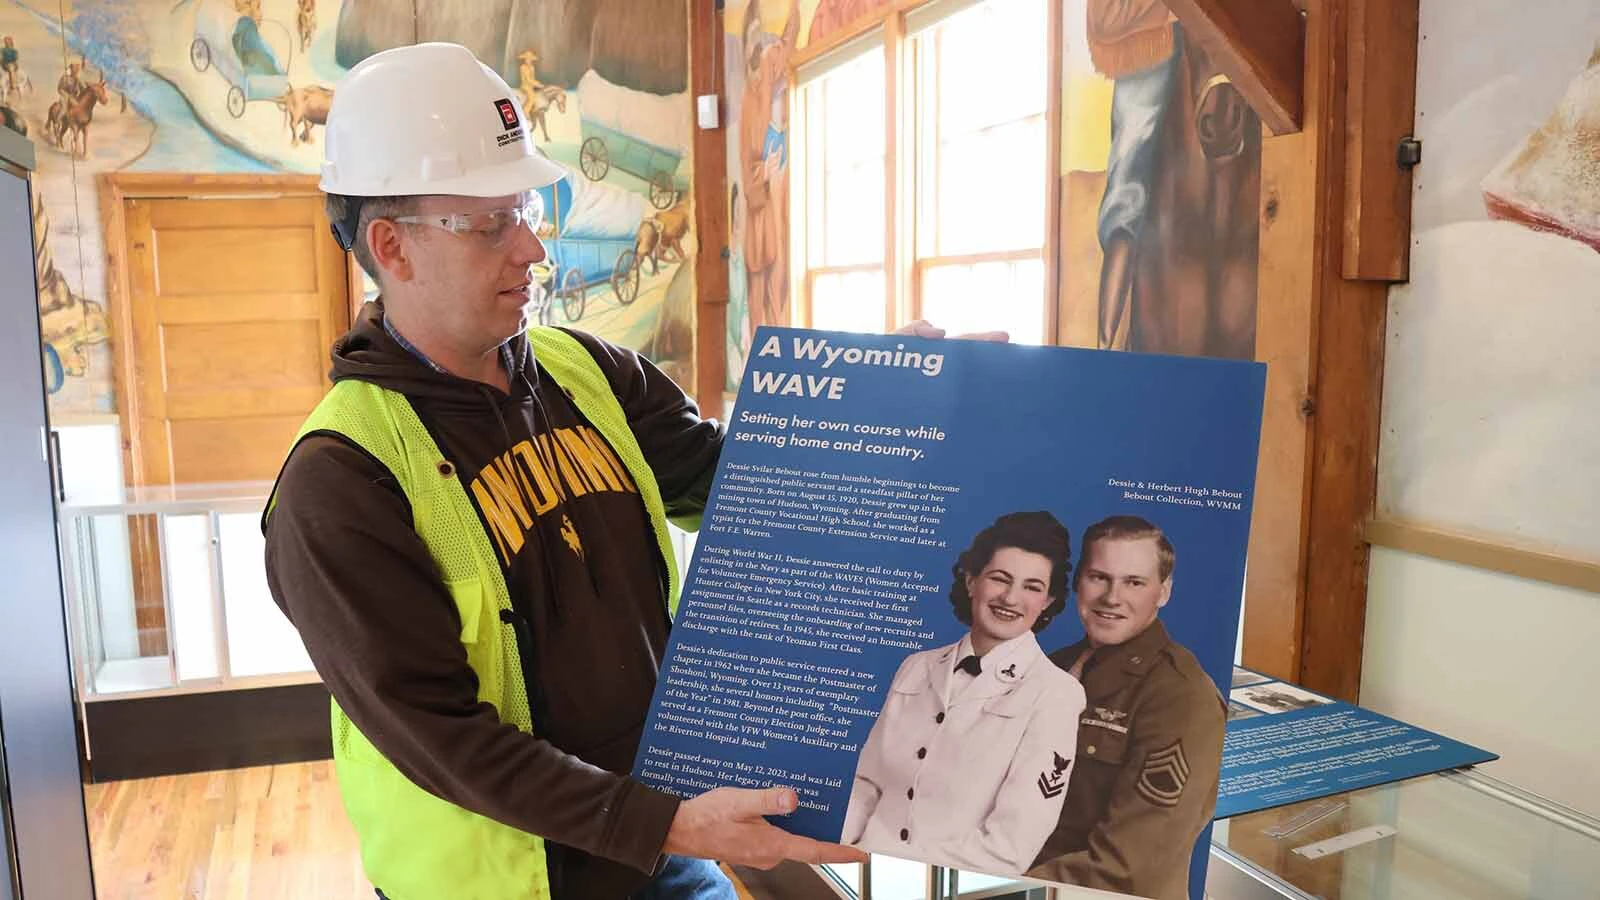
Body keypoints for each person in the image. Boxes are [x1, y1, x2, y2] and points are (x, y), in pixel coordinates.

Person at [264, 41, 993, 900]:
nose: (532, 248)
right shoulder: (340, 481)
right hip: (505, 884)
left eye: (528, 209)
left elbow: (740, 487)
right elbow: (440, 737)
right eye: (491, 223)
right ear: (393, 245)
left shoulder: (586, 372)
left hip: (661, 851)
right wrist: (672, 824)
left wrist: (872, 401)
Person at [842, 512, 1086, 876]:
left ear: (1048, 601)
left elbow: (1010, 846)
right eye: (1000, 579)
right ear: (972, 580)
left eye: (1032, 587)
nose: (1010, 597)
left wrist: (892, 870)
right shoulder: (916, 665)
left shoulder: (1056, 694)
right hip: (854, 869)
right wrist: (843, 853)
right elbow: (866, 784)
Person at [1027, 515, 1225, 900]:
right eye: (1099, 577)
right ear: (1077, 582)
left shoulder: (1180, 697)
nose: (1112, 597)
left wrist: (993, 880)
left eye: (1134, 582)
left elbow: (1125, 869)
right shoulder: (1052, 667)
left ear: (1164, 591)